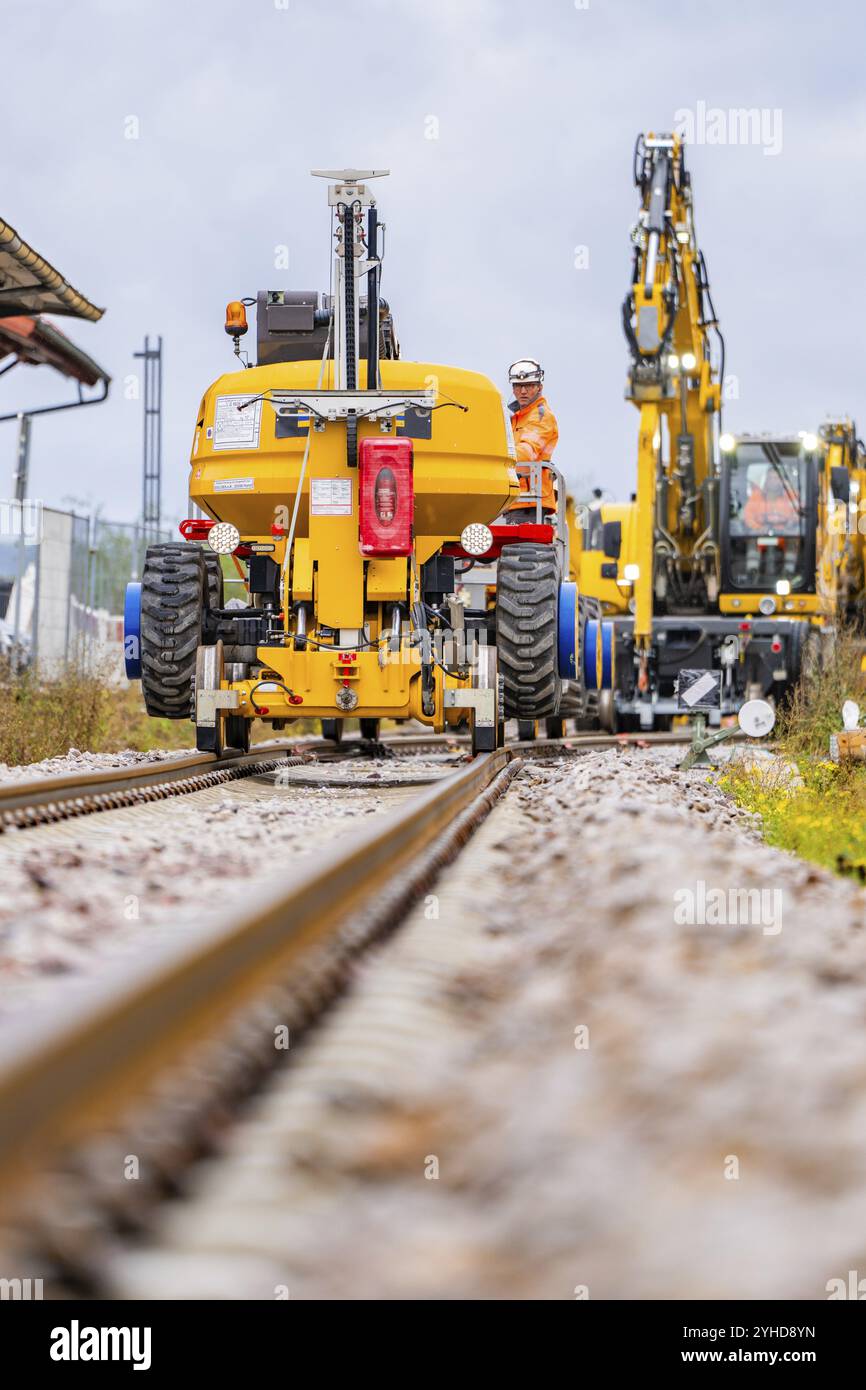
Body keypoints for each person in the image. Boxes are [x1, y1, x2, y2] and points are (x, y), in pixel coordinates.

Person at [506, 358, 559, 517]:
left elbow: (526, 452)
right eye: (518, 386)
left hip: (532, 501)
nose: (523, 391)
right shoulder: (514, 418)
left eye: (528, 386)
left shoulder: (541, 416)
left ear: (539, 387)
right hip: (514, 499)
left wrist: (493, 462)